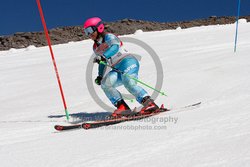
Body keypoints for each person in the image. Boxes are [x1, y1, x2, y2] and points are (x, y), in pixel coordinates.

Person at [83, 17, 159, 117]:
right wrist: (100, 76)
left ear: (99, 28)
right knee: (105, 84)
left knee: (128, 81)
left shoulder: (109, 37)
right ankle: (122, 107)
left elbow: (115, 47)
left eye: (90, 30)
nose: (89, 34)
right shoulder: (95, 47)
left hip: (127, 61)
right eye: (86, 32)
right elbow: (102, 62)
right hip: (116, 68)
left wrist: (103, 56)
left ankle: (149, 104)